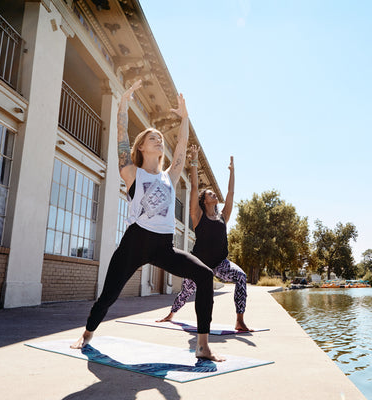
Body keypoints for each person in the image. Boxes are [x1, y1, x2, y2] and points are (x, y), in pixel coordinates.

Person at [71, 80, 224, 362]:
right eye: (152, 137)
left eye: (159, 138)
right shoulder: (131, 173)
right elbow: (120, 134)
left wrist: (185, 117)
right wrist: (123, 105)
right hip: (135, 242)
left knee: (204, 275)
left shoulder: (169, 176)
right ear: (141, 146)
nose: (159, 139)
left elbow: (180, 145)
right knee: (108, 296)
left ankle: (202, 345)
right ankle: (88, 332)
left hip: (164, 246)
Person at [156, 145, 252, 332]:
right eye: (210, 193)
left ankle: (240, 320)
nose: (214, 194)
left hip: (220, 263)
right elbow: (193, 187)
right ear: (204, 200)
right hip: (199, 265)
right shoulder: (197, 216)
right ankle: (171, 314)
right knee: (186, 292)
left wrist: (232, 172)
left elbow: (231, 194)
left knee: (241, 276)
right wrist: (193, 161)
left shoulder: (223, 216)